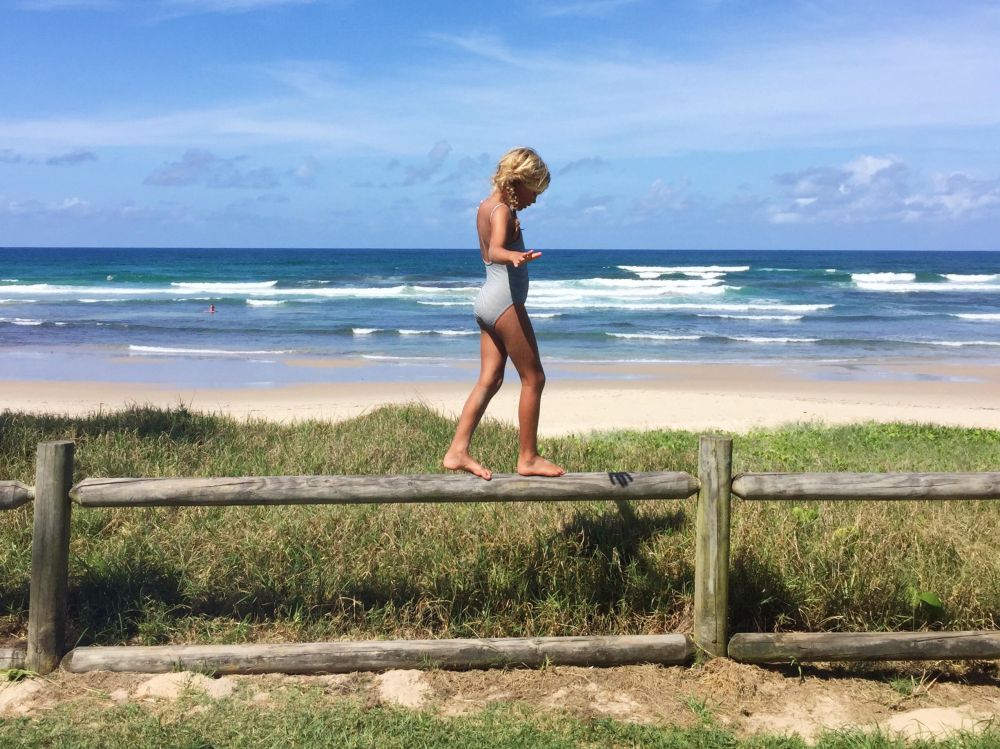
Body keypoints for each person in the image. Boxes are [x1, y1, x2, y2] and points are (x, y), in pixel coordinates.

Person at [443, 147, 566, 481]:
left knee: (490, 379)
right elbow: (496, 248)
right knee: (534, 378)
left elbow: (492, 242)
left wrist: (509, 243)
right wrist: (512, 256)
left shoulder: (487, 206)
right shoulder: (502, 212)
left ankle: (457, 450)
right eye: (534, 191)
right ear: (519, 181)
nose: (535, 200)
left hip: (486, 302)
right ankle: (528, 457)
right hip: (504, 302)